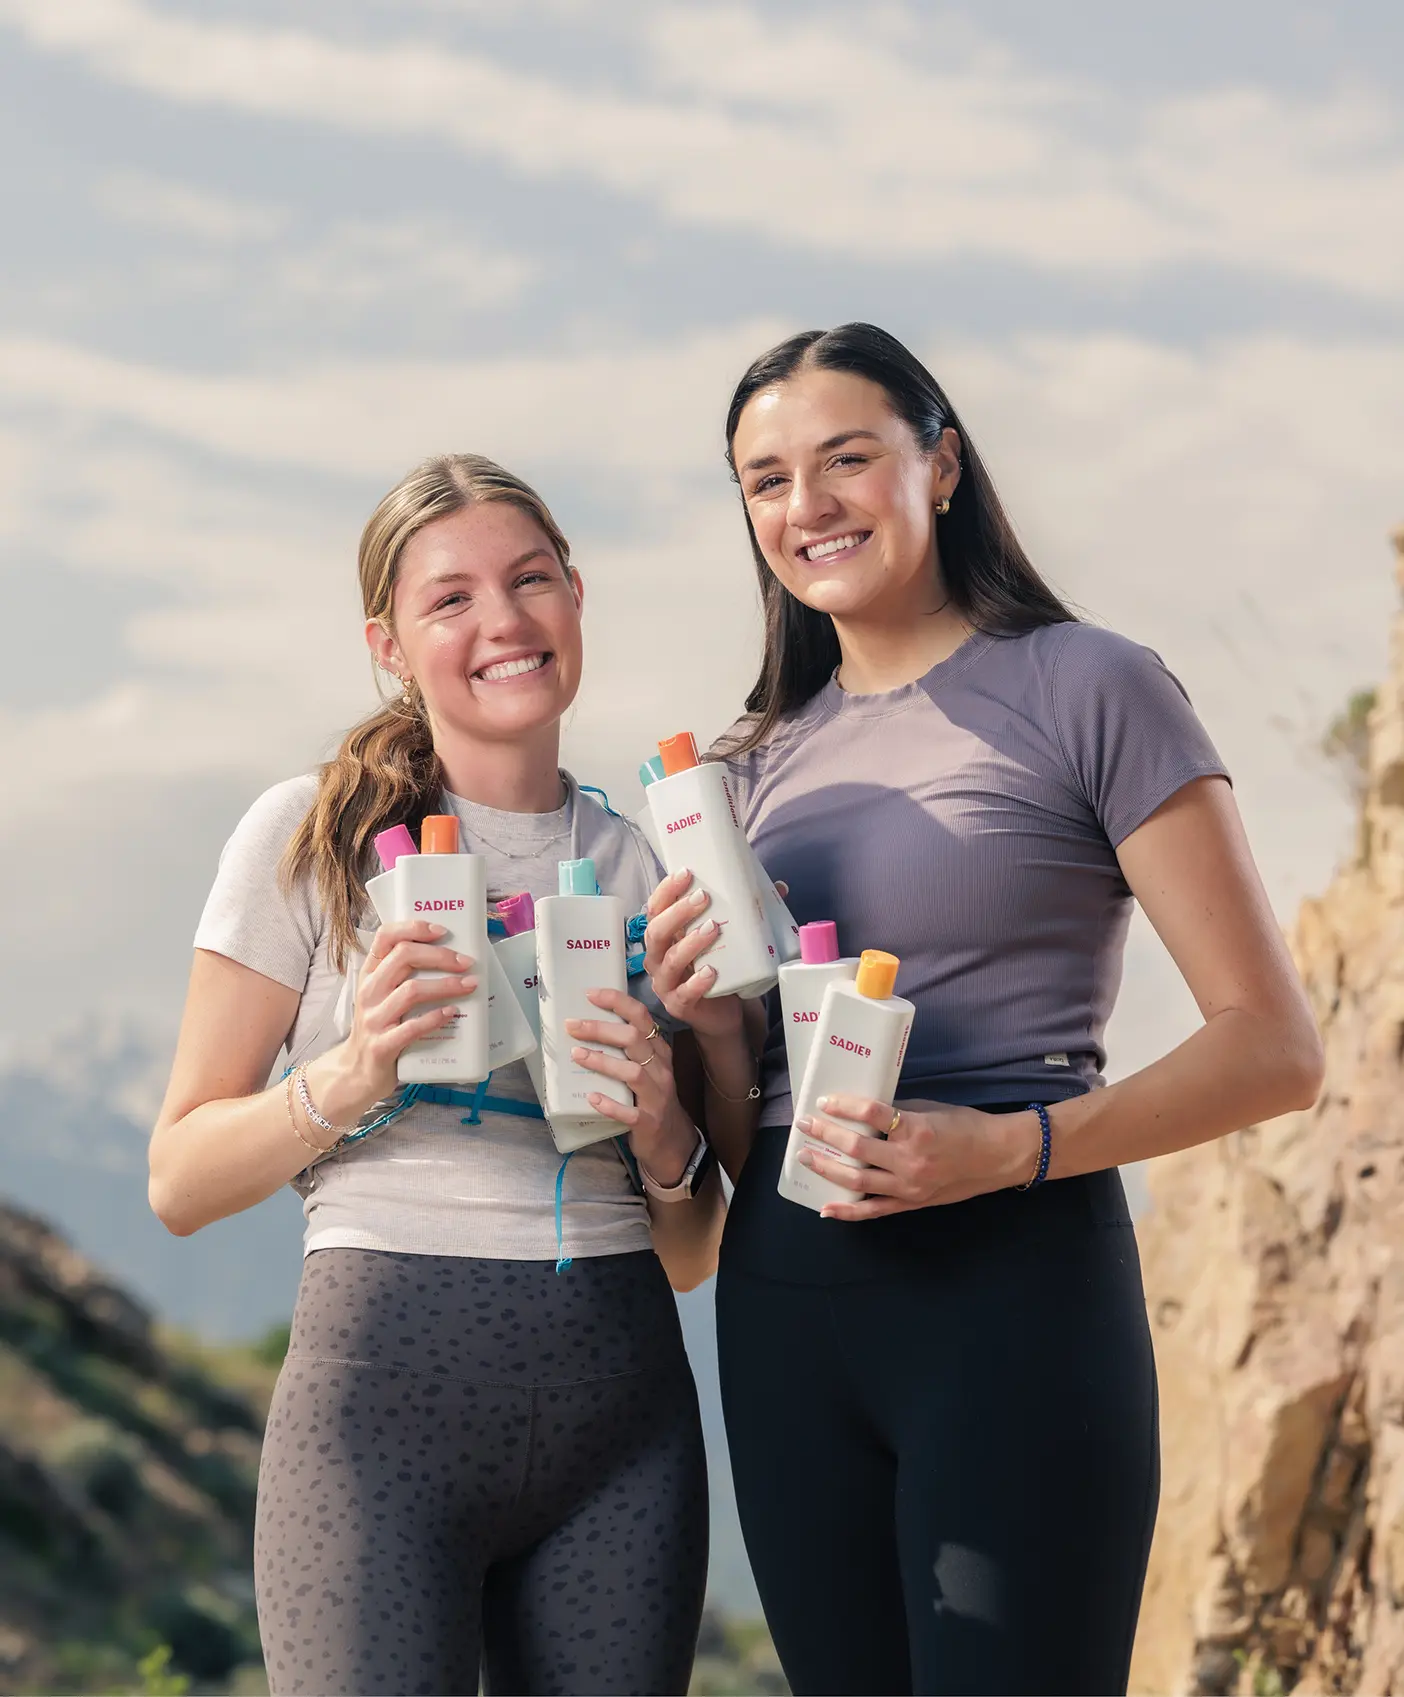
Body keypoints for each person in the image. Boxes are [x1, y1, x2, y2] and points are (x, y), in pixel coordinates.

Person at [643, 324, 1325, 1697]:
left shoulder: (1091, 687)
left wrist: (1015, 1149)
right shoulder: (744, 767)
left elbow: (1275, 1046)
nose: (807, 505)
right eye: (767, 479)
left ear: (940, 465)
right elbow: (740, 1136)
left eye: (848, 458)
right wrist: (708, 1024)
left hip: (1011, 1293)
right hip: (788, 1320)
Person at [148, 454, 734, 1697]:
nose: (504, 622)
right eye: (451, 598)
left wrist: (666, 1122)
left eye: (531, 581)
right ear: (390, 644)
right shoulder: (307, 837)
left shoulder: (648, 871)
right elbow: (181, 1178)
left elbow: (689, 1251)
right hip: (378, 1417)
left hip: (621, 1418)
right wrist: (356, 1071)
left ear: (577, 596)